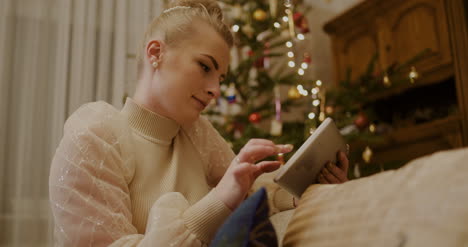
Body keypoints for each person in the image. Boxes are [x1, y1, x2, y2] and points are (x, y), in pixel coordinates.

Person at [48, 0, 349, 246]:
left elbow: (253, 195)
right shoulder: (93, 138)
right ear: (156, 53)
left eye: (220, 78)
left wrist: (307, 192)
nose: (216, 90)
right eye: (205, 66)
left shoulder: (197, 134)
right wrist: (217, 202)